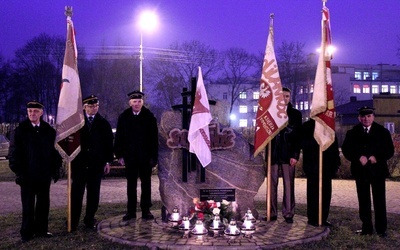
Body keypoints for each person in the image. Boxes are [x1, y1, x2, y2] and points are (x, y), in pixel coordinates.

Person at [8, 101, 62, 242]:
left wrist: (55, 169)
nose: (32, 113)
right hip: (27, 176)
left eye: (35, 111)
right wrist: (19, 173)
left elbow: (53, 153)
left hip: (44, 175)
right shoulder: (20, 131)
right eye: (30, 111)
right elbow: (14, 154)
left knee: (43, 204)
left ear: (41, 112)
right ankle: (26, 232)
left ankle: (42, 230)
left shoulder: (48, 131)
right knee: (28, 205)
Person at [342, 106, 394, 238]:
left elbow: (389, 150)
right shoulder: (352, 132)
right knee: (363, 200)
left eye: (369, 116)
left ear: (373, 117)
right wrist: (358, 157)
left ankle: (381, 229)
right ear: (359, 117)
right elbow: (347, 150)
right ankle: (366, 228)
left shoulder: (382, 132)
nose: (366, 119)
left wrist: (376, 157)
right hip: (361, 171)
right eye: (363, 116)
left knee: (379, 200)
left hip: (377, 171)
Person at [70, 95, 114, 231]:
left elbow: (108, 145)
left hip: (96, 165)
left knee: (93, 195)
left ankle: (89, 219)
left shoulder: (103, 123)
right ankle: (73, 221)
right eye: (90, 106)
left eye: (96, 106)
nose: (94, 108)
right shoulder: (76, 123)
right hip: (79, 165)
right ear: (84, 107)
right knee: (76, 194)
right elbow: (70, 143)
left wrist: (107, 161)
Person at [114, 90, 158, 221]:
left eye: (139, 101)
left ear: (142, 102)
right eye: (134, 102)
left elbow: (154, 139)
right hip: (130, 157)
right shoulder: (124, 117)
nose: (137, 104)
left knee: (146, 185)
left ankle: (146, 210)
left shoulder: (149, 117)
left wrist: (153, 157)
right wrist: (119, 155)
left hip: (145, 158)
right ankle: (131, 211)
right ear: (130, 103)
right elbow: (119, 137)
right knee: (131, 185)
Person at [266, 87, 302, 223]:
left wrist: (295, 155)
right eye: (282, 96)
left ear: (290, 97)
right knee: (272, 185)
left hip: (288, 155)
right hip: (273, 154)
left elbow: (298, 137)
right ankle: (272, 212)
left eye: (287, 96)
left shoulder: (296, 114)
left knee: (288, 184)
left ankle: (288, 213)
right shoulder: (270, 113)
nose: (285, 98)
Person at [301, 119, 340, 227]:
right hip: (312, 164)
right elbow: (302, 143)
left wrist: (336, 163)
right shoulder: (307, 126)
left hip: (327, 165)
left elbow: (334, 144)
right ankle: (312, 218)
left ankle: (323, 218)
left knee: (326, 193)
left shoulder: (328, 124)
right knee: (313, 192)